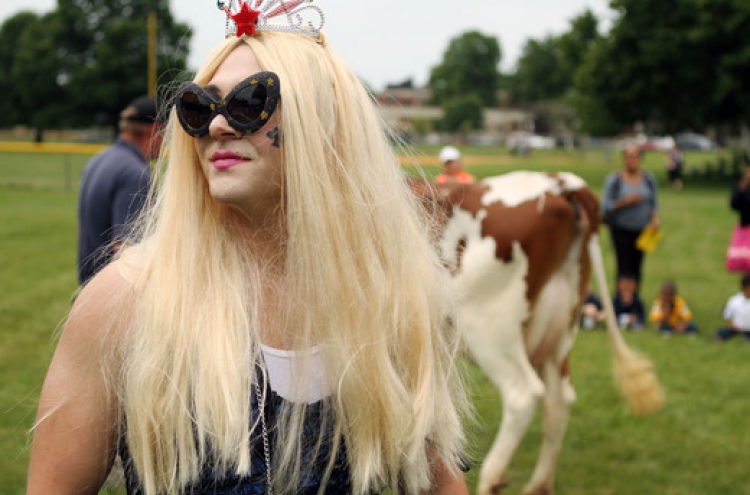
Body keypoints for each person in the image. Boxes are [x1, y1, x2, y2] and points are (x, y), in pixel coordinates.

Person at [26, 3, 470, 495]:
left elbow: (437, 479)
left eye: (248, 102)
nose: (217, 126)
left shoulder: (387, 296)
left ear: (323, 123)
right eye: (199, 106)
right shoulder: (124, 301)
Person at [77, 95, 162, 285]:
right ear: (155, 130)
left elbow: (81, 228)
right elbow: (126, 250)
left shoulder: (99, 159)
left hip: (89, 289)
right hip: (112, 297)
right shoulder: (134, 173)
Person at [601, 144, 660, 290]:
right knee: (624, 266)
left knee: (637, 265)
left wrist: (655, 219)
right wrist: (625, 202)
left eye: (634, 156)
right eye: (628, 156)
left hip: (642, 229)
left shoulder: (648, 179)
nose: (631, 160)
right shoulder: (615, 180)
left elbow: (654, 202)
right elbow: (605, 206)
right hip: (621, 228)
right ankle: (622, 300)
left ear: (640, 159)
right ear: (623, 159)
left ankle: (634, 298)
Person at [714, 274, 750, 343]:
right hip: (736, 328)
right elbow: (728, 317)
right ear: (745, 288)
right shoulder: (734, 301)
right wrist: (735, 327)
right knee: (723, 331)